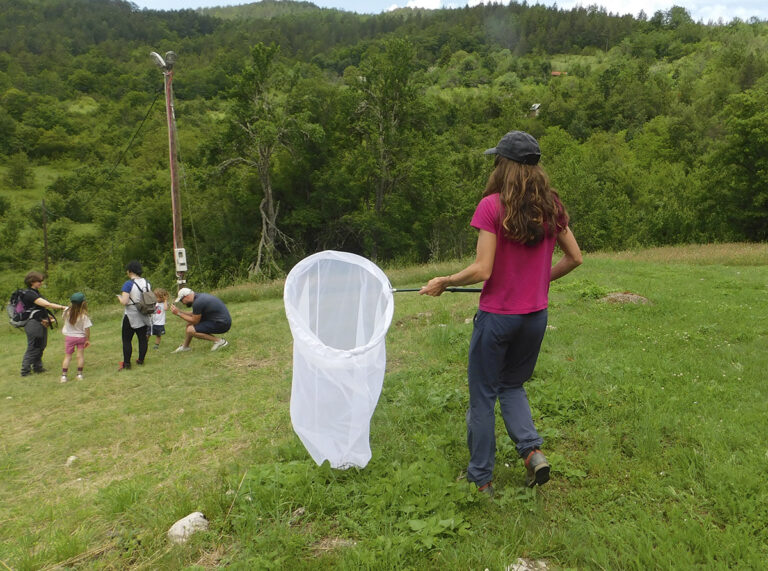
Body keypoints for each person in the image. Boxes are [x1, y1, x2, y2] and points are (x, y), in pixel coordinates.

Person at [420, 130, 582, 495]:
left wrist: (445, 280)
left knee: (482, 396)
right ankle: (532, 453)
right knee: (511, 384)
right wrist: (540, 281)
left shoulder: (492, 206)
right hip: (535, 317)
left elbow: (482, 270)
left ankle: (481, 477)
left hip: (497, 319)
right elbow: (575, 257)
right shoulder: (551, 206)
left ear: (503, 166)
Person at [19, 271, 68, 377]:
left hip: (41, 322)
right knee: (33, 346)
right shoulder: (29, 293)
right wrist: (63, 307)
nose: (41, 282)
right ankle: (25, 371)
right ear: (32, 281)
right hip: (33, 324)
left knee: (41, 345)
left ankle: (37, 367)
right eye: (39, 281)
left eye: (41, 280)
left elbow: (40, 308)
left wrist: (48, 317)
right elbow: (46, 304)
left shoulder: (35, 292)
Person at [170, 287, 231, 352]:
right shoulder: (199, 297)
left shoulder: (198, 302)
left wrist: (178, 313)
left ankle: (220, 341)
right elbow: (194, 314)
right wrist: (180, 311)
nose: (183, 303)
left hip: (222, 324)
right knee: (189, 324)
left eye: (182, 300)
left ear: (186, 296)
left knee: (190, 330)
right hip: (222, 321)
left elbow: (195, 321)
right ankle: (185, 347)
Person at [117, 260, 151, 370]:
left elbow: (125, 302)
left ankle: (127, 364)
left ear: (130, 271)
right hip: (144, 312)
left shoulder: (128, 284)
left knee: (127, 340)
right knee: (142, 338)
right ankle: (141, 360)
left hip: (131, 314)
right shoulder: (147, 282)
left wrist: (119, 298)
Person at [60, 292, 92, 383]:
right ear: (83, 303)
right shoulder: (84, 316)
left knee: (68, 357)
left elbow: (64, 318)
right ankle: (79, 374)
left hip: (69, 338)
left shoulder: (66, 313)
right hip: (81, 338)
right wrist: (87, 339)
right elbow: (87, 329)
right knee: (80, 356)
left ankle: (64, 376)